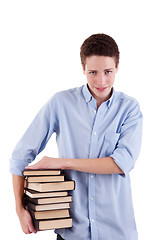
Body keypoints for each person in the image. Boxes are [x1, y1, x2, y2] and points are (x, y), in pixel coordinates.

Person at [10, 33, 143, 240]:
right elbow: (19, 157)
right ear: (83, 69)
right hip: (72, 232)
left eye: (108, 71)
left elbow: (121, 163)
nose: (101, 81)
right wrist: (20, 209)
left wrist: (62, 163)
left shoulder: (129, 109)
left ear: (117, 67)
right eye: (93, 72)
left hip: (117, 232)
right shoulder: (61, 103)